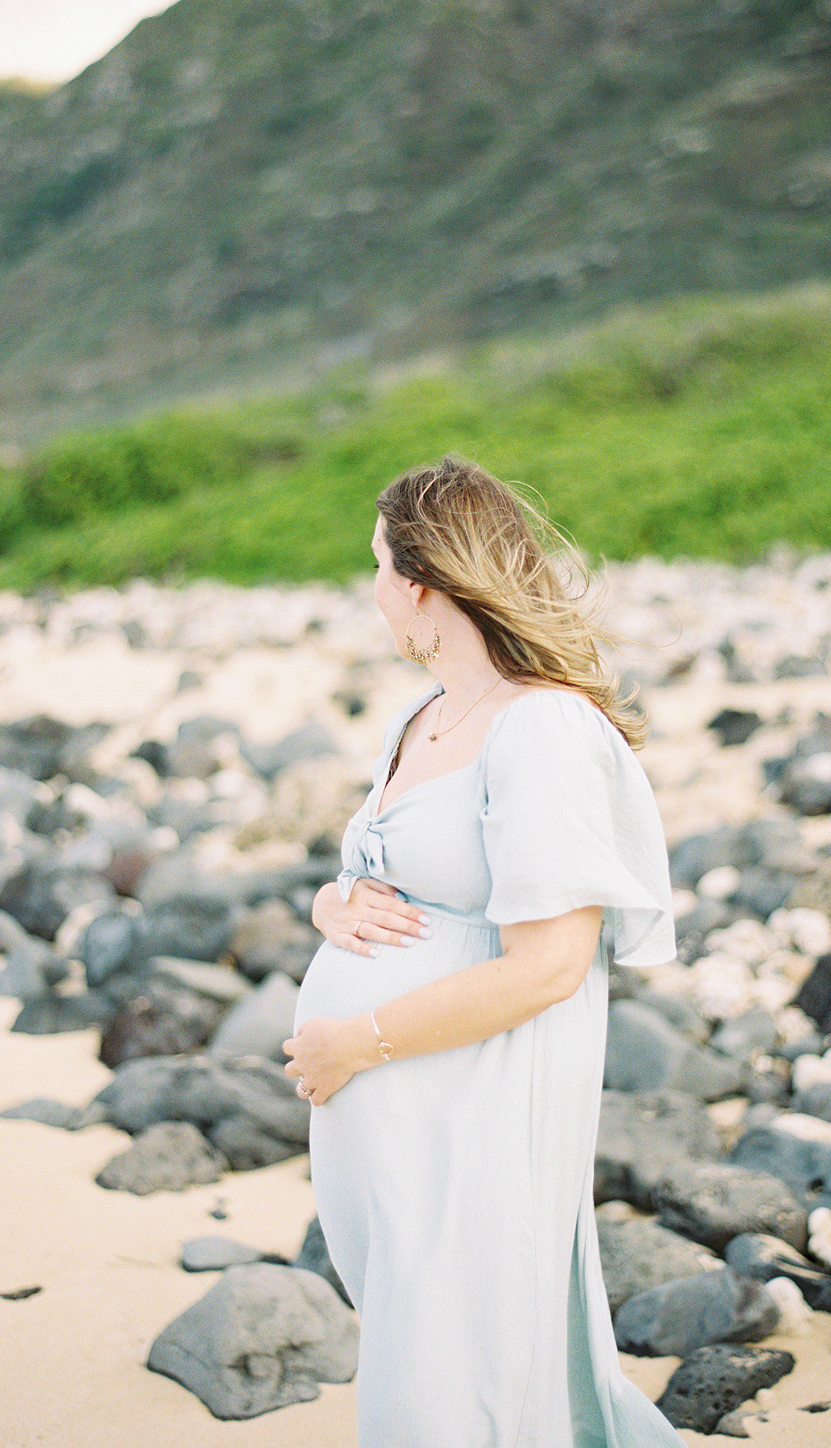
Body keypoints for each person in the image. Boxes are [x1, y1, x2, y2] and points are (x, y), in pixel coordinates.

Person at [283, 456, 685, 1448]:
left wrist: (357, 1040)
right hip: (400, 1113)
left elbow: (549, 963)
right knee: (429, 1367)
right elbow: (401, 873)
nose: (373, 590)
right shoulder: (419, 717)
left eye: (376, 565)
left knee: (465, 1385)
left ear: (419, 582)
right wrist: (334, 905)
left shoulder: (540, 726)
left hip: (476, 1103)